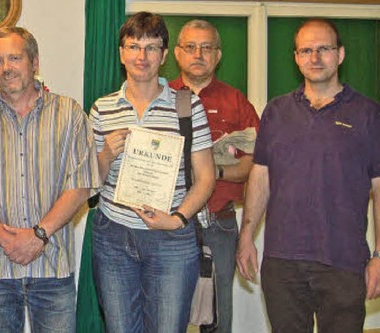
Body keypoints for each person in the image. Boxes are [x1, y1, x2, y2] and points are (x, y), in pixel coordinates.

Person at [236, 18, 380, 333]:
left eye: (323, 49)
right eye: (306, 50)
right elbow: (261, 178)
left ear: (340, 54)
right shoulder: (276, 112)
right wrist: (246, 236)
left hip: (343, 261)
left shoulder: (369, 114)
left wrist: (379, 255)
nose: (314, 58)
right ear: (297, 58)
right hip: (282, 262)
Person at [0, 27, 99, 333]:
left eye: (15, 58)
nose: (6, 68)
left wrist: (38, 236)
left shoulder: (70, 114)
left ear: (34, 62)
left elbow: (81, 184)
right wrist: (4, 238)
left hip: (52, 267)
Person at [89, 12, 215, 333]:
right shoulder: (103, 109)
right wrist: (105, 154)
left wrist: (176, 219)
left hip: (172, 238)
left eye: (151, 47)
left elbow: (206, 178)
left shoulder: (188, 106)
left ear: (163, 55)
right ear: (121, 53)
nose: (141, 56)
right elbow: (90, 183)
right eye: (133, 46)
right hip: (113, 236)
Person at [170, 20, 260, 333]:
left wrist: (214, 170)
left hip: (219, 222)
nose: (199, 54)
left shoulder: (236, 102)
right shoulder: (160, 97)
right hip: (168, 223)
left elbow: (256, 165)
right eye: (191, 47)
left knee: (218, 313)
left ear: (218, 55)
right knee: (168, 308)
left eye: (206, 48)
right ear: (178, 54)